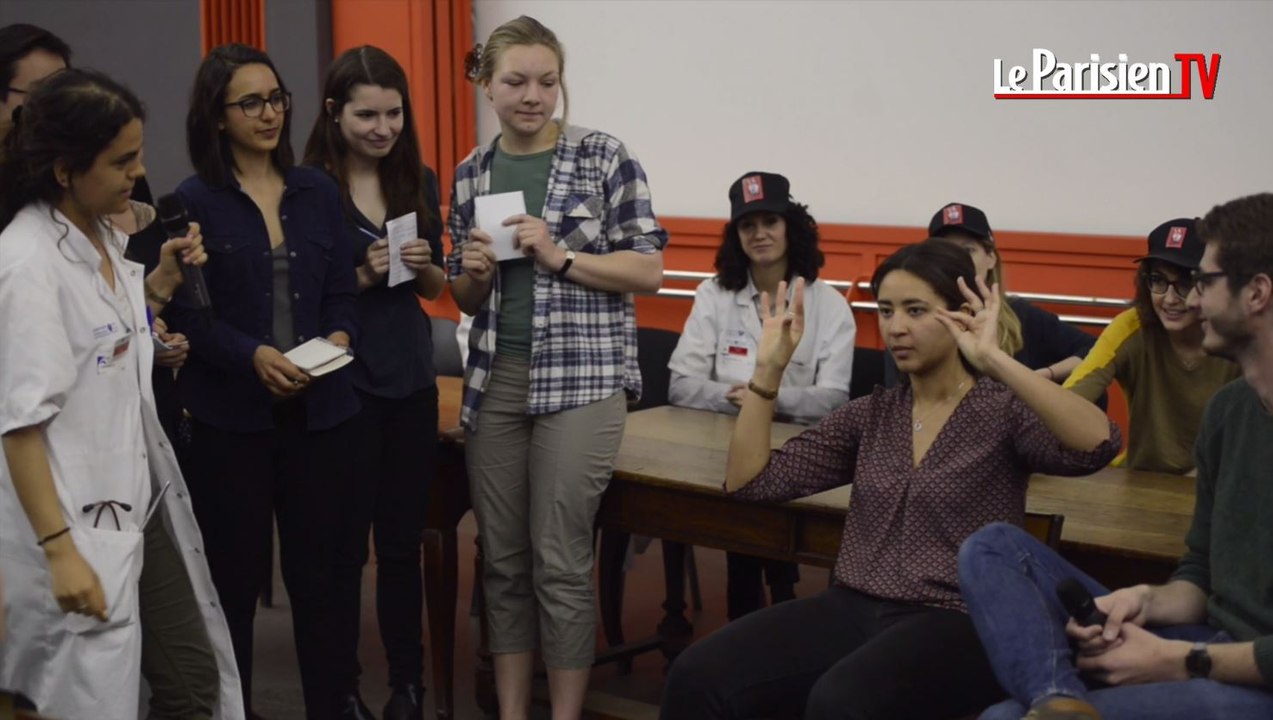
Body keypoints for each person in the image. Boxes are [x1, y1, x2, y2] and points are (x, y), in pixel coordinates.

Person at [660, 239, 1120, 720]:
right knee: (697, 676)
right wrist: (768, 370)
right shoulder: (873, 414)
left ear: (962, 315)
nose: (896, 327)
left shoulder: (1002, 411)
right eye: (885, 311)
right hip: (854, 606)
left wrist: (996, 361)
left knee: (842, 701)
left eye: (916, 310)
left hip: (957, 618)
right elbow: (751, 482)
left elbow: (1098, 444)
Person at [958, 193, 1273, 720]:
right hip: (1209, 639)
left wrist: (1180, 659)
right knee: (993, 547)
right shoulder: (1229, 412)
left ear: (1257, 293)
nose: (1189, 301)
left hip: (1248, 674)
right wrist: (1139, 601)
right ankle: (1056, 696)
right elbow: (1201, 575)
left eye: (1204, 282)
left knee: (1000, 719)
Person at [0, 67, 242, 720]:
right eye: (121, 161)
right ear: (63, 170)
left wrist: (156, 290)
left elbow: (96, 348)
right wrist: (59, 551)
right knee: (76, 701)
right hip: (72, 525)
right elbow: (18, 426)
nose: (138, 173)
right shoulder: (29, 265)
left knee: (194, 686)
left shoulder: (103, 239)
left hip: (138, 501)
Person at [449, 15, 667, 719]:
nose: (533, 95)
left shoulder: (602, 156)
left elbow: (649, 269)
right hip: (495, 378)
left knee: (560, 560)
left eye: (547, 81)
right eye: (515, 81)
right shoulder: (471, 172)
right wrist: (474, 273)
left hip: (582, 383)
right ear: (487, 85)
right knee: (502, 563)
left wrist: (561, 255)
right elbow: (465, 295)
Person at [168, 43, 360, 718]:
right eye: (250, 102)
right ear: (217, 117)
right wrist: (251, 355)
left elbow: (341, 291)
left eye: (276, 97)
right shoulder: (193, 201)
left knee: (323, 583)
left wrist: (337, 338)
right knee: (233, 584)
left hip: (321, 413)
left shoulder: (316, 190)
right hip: (232, 421)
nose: (269, 112)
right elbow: (192, 314)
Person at [302, 44, 446, 720]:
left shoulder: (416, 179)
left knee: (400, 545)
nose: (382, 128)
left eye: (392, 113)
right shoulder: (308, 188)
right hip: (344, 383)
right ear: (334, 112)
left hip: (411, 380)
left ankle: (407, 686)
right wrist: (359, 274)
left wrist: (421, 266)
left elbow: (438, 286)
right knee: (341, 549)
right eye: (366, 115)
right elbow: (297, 300)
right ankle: (343, 689)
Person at [667, 170, 855, 619]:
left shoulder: (829, 305)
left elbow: (833, 399)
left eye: (770, 221)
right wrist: (742, 397)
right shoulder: (712, 295)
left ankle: (766, 611)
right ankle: (763, 607)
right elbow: (680, 386)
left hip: (798, 453)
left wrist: (764, 397)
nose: (759, 234)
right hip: (717, 449)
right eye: (747, 225)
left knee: (757, 507)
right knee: (741, 503)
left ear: (792, 228)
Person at [1063, 218, 1239, 473]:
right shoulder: (1129, 327)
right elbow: (1069, 400)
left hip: (1225, 483)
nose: (1169, 299)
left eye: (1185, 283)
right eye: (1158, 280)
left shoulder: (1241, 335)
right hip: (1141, 481)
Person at [884, 202, 1096, 388]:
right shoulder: (913, 321)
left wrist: (1044, 375)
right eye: (946, 250)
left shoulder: (1019, 314)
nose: (957, 260)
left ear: (990, 258)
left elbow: (1094, 350)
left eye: (968, 250)